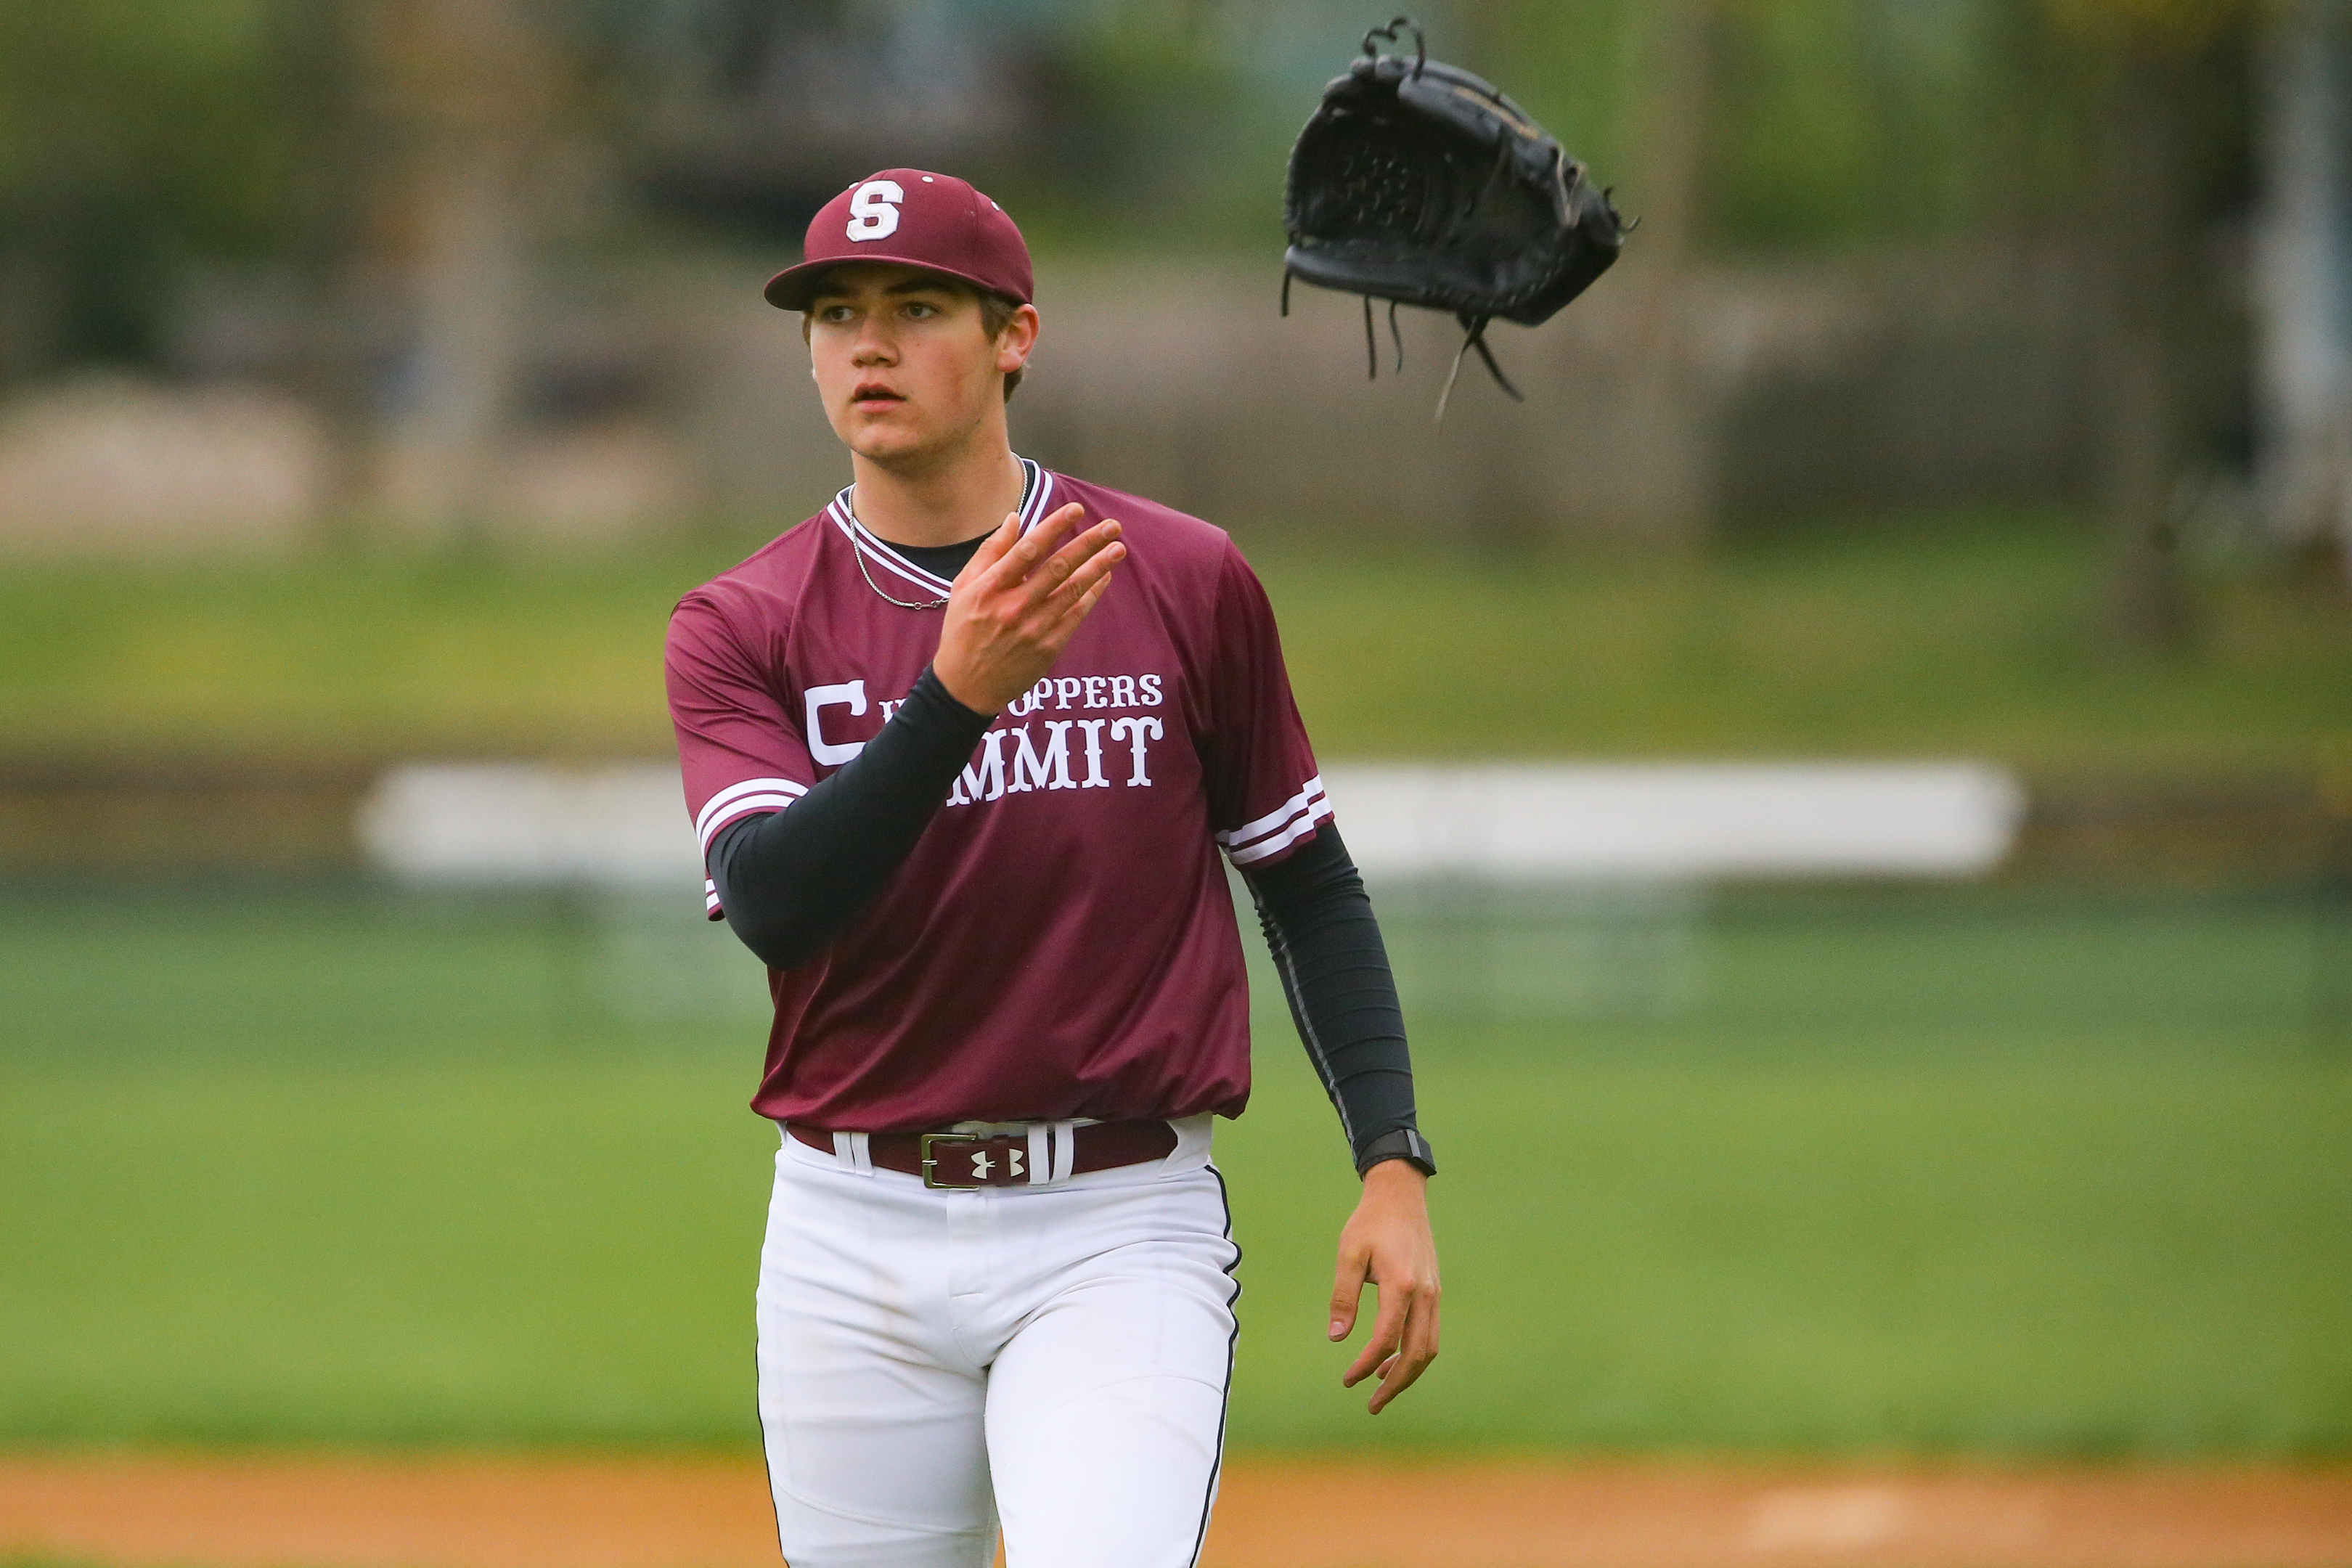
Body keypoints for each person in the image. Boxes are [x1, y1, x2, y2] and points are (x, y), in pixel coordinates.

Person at [663, 168, 1439, 1568]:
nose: (869, 345)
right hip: (850, 1235)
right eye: (835, 313)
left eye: (917, 307)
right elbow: (777, 905)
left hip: (1115, 1225)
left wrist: (1391, 1163)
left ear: (1016, 334)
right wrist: (954, 700)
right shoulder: (744, 623)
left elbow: (1307, 880)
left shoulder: (1180, 577)